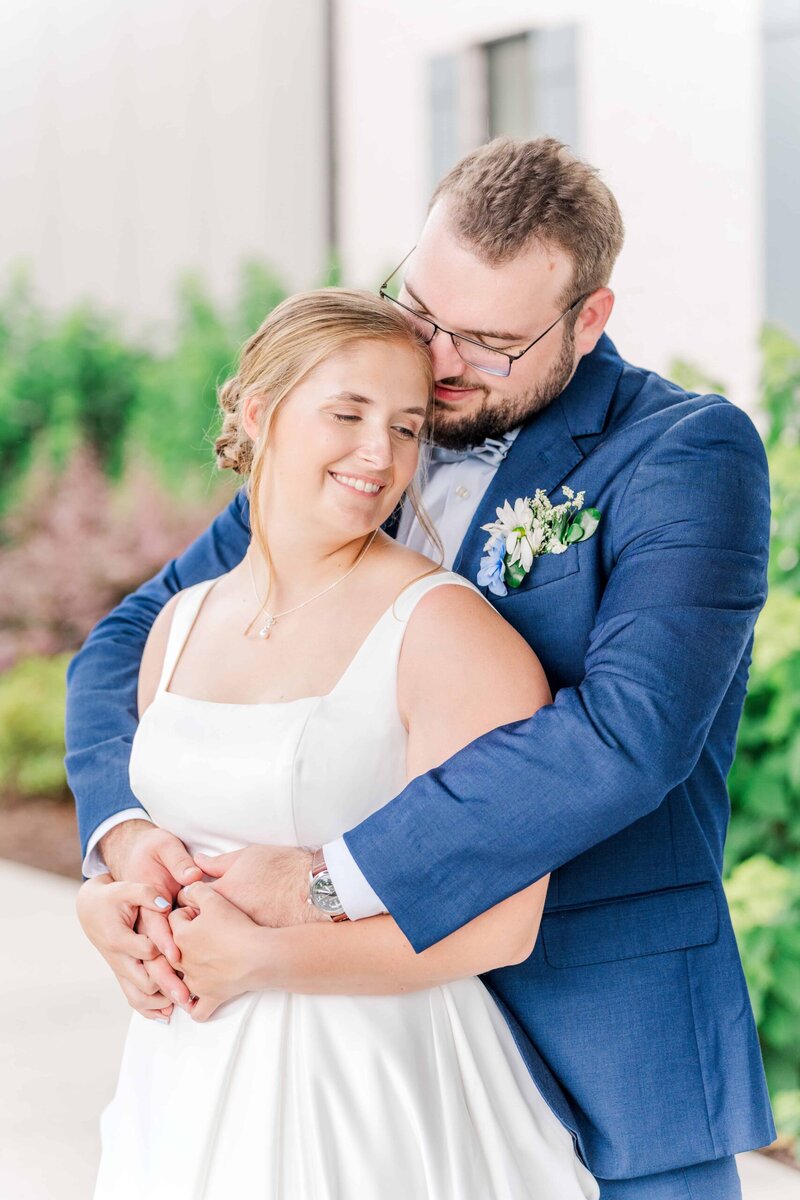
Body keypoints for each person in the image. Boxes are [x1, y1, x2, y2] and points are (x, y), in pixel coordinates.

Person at [66, 137, 774, 1199]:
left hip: (596, 1028)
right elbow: (139, 636)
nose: (436, 363)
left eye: (485, 341)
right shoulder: (360, 437)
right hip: (351, 1047)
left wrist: (322, 878)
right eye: (422, 310)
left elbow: (629, 735)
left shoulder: (684, 454)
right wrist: (126, 840)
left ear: (587, 320)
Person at [77, 287, 599, 1199]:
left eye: (405, 428)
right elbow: (171, 846)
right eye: (347, 414)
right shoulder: (181, 623)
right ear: (257, 410)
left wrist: (263, 958)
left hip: (367, 1088)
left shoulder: (443, 630)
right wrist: (113, 905)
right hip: (183, 1078)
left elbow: (502, 927)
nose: (380, 454)